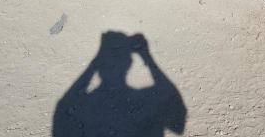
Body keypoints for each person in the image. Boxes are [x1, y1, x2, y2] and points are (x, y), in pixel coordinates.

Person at [53, 31, 186, 136]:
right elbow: (177, 118)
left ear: (100, 68)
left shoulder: (87, 105)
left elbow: (65, 105)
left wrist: (96, 61)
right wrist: (147, 57)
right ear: (129, 64)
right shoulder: (145, 101)